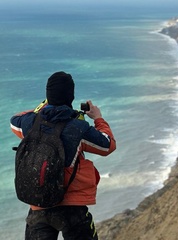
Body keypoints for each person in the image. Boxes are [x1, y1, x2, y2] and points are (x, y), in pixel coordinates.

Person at [10, 71, 116, 240]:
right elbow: (108, 145)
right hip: (72, 207)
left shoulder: (30, 123)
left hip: (38, 204)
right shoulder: (78, 127)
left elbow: (15, 119)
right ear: (71, 97)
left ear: (47, 95)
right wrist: (98, 119)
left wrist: (43, 107)